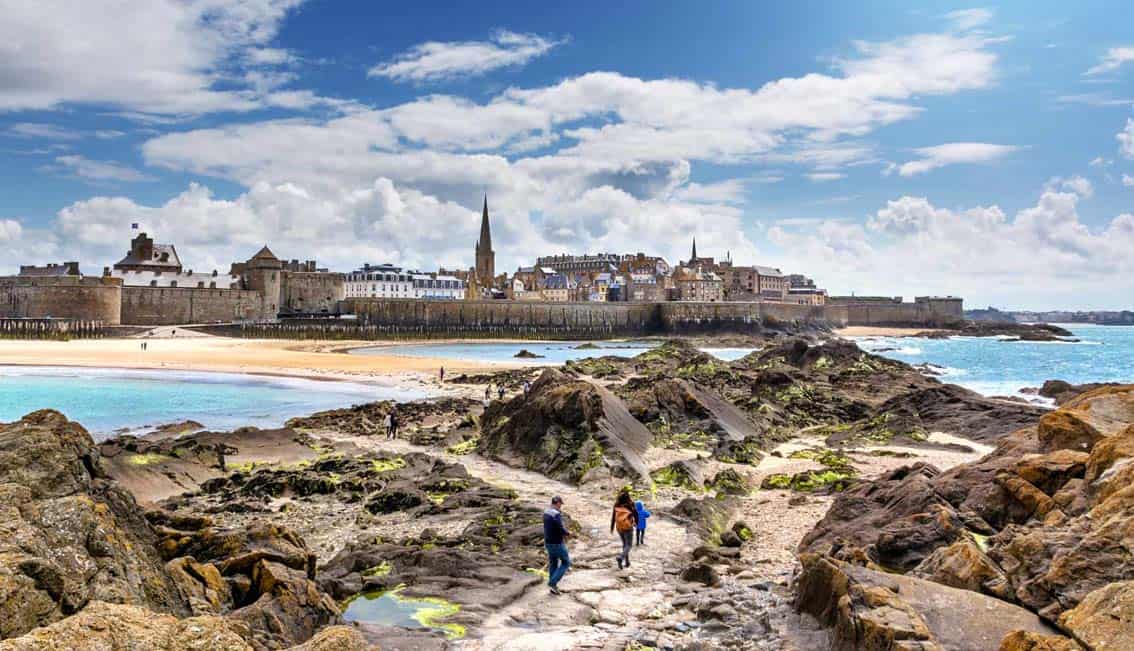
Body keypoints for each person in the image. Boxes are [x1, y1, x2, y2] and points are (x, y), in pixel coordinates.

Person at [543, 496, 571, 595]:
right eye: (560, 504)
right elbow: (560, 528)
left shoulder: (546, 512)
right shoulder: (556, 514)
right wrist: (568, 533)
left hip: (548, 542)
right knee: (566, 562)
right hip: (557, 543)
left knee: (553, 562)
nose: (561, 506)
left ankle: (553, 588)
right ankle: (552, 582)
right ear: (557, 503)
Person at [611, 490, 638, 570]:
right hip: (628, 527)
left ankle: (627, 562)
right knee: (629, 545)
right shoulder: (630, 504)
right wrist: (637, 523)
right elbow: (636, 514)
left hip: (619, 527)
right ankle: (621, 557)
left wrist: (612, 527)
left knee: (624, 544)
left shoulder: (616, 504)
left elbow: (613, 517)